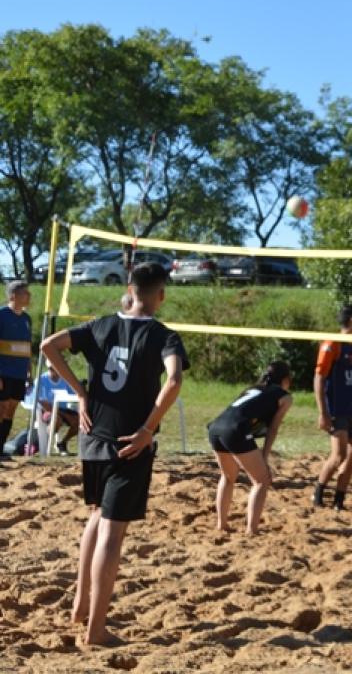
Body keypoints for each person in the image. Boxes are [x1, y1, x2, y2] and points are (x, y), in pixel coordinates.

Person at [41, 262, 189, 646]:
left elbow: (48, 346)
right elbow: (174, 379)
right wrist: (148, 428)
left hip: (93, 437)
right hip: (129, 444)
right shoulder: (163, 336)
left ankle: (80, 606)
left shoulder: (100, 325)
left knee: (96, 517)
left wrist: (80, 392)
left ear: (129, 289)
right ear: (161, 295)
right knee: (111, 531)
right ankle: (95, 630)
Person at [208, 361, 293, 534]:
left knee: (228, 476)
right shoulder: (285, 397)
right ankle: (251, 530)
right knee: (262, 480)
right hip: (235, 430)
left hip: (215, 428)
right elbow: (273, 429)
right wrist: (264, 457)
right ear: (285, 379)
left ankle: (222, 525)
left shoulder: (252, 388)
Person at [312, 305, 352, 511]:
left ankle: (339, 500)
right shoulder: (332, 344)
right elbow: (319, 378)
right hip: (337, 408)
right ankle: (318, 493)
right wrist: (323, 413)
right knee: (339, 455)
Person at [0, 281, 32, 459]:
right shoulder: (2, 315)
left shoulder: (26, 319)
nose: (29, 296)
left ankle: (1, 448)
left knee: (11, 409)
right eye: (25, 293)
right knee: (1, 407)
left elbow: (27, 348)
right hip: (4, 371)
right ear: (13, 296)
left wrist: (29, 372)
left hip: (19, 373)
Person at [36, 359, 80, 455]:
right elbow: (41, 401)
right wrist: (59, 412)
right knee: (56, 419)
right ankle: (44, 443)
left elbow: (74, 394)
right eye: (53, 368)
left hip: (62, 410)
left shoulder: (65, 379)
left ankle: (62, 443)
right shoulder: (41, 380)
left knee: (81, 420)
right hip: (46, 411)